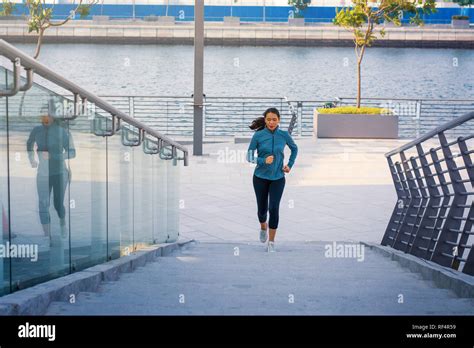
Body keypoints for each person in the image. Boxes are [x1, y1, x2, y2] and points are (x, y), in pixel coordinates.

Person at [247, 107, 298, 252]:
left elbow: (295, 149)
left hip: (278, 178)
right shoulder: (258, 136)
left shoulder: (284, 135)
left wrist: (289, 165)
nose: (271, 122)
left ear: (279, 120)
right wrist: (263, 160)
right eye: (268, 119)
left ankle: (271, 242)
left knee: (274, 208)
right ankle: (263, 226)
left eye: (274, 119)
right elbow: (249, 157)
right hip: (260, 178)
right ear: (265, 120)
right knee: (262, 210)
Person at [27, 106, 76, 244]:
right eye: (42, 116)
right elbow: (29, 143)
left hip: (60, 173)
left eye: (47, 116)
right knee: (43, 204)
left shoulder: (63, 132)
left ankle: (62, 224)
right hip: (43, 173)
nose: (44, 118)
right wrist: (32, 159)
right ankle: (47, 236)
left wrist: (53, 155)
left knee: (57, 204)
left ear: (53, 117)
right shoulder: (37, 131)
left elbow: (72, 153)